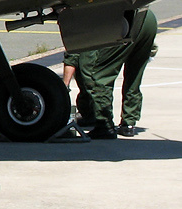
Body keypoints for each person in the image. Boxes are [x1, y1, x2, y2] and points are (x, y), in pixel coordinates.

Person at [62, 9, 158, 139]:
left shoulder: (73, 12)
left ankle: (104, 125)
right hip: (145, 17)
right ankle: (128, 124)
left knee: (98, 75)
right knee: (134, 76)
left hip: (120, 21)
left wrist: (64, 86)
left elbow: (72, 56)